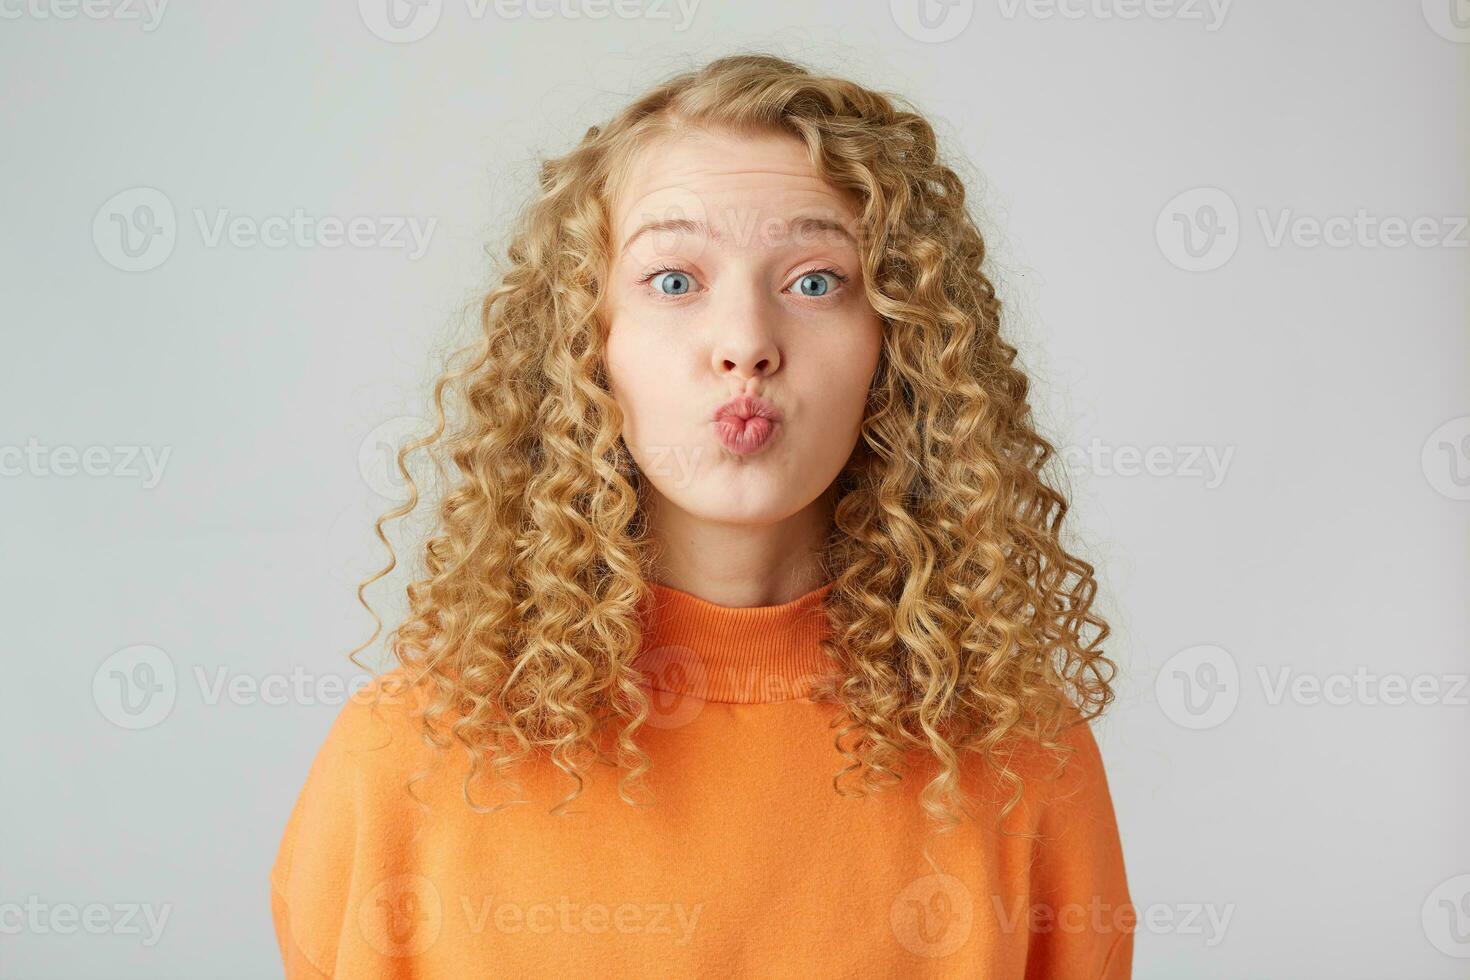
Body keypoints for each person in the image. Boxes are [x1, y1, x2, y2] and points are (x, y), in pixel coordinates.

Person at [271, 52, 1134, 978]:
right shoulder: (405, 757)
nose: (747, 345)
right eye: (674, 280)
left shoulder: (1019, 761)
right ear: (584, 344)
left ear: (901, 347)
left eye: (814, 281)